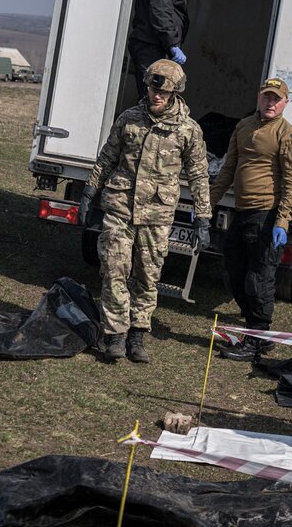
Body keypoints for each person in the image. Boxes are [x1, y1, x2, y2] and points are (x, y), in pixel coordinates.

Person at [79, 59, 211, 363]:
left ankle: (137, 335)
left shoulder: (188, 130)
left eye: (163, 92)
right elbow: (106, 158)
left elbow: (199, 175)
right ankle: (115, 335)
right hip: (120, 207)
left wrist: (203, 217)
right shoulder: (129, 119)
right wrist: (89, 191)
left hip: (157, 214)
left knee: (147, 277)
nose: (156, 96)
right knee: (113, 270)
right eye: (153, 89)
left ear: (175, 93)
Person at [207, 78, 292, 362]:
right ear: (258, 98)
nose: (270, 103)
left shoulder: (290, 136)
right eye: (266, 97)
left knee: (259, 278)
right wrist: (208, 203)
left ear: (286, 102)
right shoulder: (244, 126)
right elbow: (228, 168)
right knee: (233, 271)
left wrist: (282, 221)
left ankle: (257, 339)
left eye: (276, 99)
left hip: (267, 214)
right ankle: (255, 330)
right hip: (243, 212)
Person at [126, 0, 200, 99]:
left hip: (152, 46)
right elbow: (160, 11)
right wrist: (172, 44)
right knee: (152, 98)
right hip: (151, 46)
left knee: (154, 98)